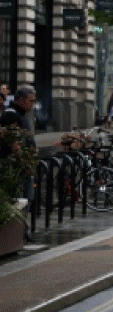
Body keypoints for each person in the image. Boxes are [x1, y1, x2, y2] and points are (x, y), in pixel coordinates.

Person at [1, 86, 37, 242]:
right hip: (17, 166)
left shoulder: (20, 115)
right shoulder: (11, 115)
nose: (33, 105)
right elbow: (13, 143)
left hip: (24, 165)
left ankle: (23, 230)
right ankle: (20, 232)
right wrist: (23, 161)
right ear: (21, 100)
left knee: (26, 199)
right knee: (21, 200)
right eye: (31, 101)